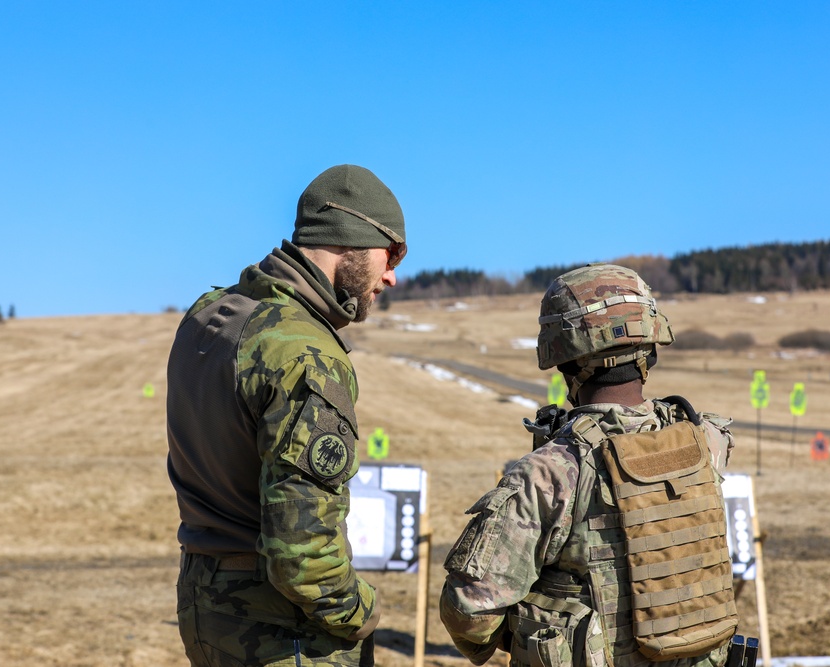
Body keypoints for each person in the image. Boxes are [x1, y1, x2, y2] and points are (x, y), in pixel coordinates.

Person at [166, 164, 408, 667]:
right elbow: (304, 556)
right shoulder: (304, 352)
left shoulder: (209, 315)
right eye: (391, 254)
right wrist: (360, 613)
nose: (391, 276)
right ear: (351, 242)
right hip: (281, 631)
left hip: (205, 607)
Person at [440, 263, 737, 667]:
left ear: (562, 357)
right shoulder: (708, 443)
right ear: (650, 346)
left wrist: (533, 631)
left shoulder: (549, 473)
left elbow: (469, 613)